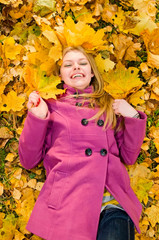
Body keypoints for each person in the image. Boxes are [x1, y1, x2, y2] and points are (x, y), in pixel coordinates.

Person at [19, 46, 147, 240]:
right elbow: (28, 161)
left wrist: (132, 116)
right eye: (68, 65)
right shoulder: (52, 106)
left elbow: (129, 156)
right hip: (68, 203)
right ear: (60, 76)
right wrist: (38, 117)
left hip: (111, 202)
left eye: (82, 63)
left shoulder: (108, 105)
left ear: (92, 72)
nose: (76, 67)